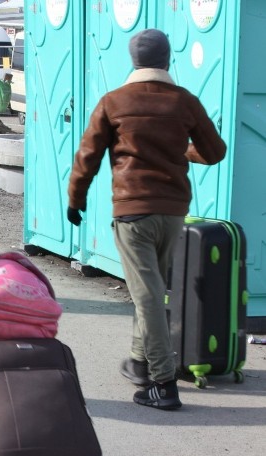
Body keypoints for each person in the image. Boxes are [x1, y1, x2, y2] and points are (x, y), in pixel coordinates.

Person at [67, 29, 227, 411]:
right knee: (150, 290)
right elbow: (215, 151)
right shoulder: (183, 101)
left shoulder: (114, 101)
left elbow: (87, 157)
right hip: (172, 213)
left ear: (133, 60)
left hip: (132, 211)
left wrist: (76, 199)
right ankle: (140, 362)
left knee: (148, 294)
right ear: (167, 60)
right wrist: (180, 151)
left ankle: (162, 382)